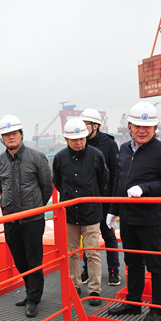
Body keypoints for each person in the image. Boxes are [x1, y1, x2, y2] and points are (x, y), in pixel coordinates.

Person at [107, 102, 161, 321]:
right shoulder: (124, 149)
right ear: (129, 126)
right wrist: (113, 210)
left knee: (155, 264)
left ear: (155, 128)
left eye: (147, 127)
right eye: (137, 125)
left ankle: (157, 310)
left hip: (149, 219)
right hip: (127, 218)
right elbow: (119, 181)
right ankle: (133, 302)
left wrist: (145, 188)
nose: (142, 130)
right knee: (132, 262)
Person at [0, 115, 53, 318]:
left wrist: (36, 208)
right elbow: (1, 187)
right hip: (10, 219)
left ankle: (34, 299)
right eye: (6, 134)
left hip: (32, 220)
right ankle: (30, 292)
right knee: (19, 260)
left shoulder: (37, 157)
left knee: (33, 260)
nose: (11, 137)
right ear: (2, 138)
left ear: (21, 134)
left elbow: (47, 187)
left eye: (14, 133)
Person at [53, 118, 109, 306]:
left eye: (81, 138)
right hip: (69, 213)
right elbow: (57, 181)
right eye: (74, 139)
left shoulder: (96, 155)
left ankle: (94, 289)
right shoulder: (60, 158)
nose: (78, 142)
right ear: (66, 139)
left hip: (91, 212)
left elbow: (103, 179)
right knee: (72, 253)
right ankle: (75, 285)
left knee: (93, 252)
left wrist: (93, 197)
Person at [80, 107, 121, 286]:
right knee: (88, 235)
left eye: (85, 124)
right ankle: (87, 269)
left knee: (108, 234)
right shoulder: (80, 142)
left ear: (95, 125)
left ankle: (114, 270)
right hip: (87, 198)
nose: (81, 127)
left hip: (104, 198)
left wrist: (113, 201)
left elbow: (116, 173)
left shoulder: (109, 144)